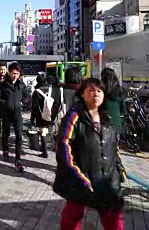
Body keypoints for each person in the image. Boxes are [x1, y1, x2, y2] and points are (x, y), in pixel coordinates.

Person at [53, 78, 126, 230]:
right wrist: (78, 176)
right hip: (81, 180)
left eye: (99, 91)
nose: (96, 94)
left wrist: (119, 170)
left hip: (107, 180)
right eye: (91, 90)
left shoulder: (107, 118)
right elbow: (64, 146)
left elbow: (113, 147)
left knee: (114, 220)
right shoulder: (74, 117)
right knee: (71, 219)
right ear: (82, 94)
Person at [0, 63, 30, 172]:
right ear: (10, 73)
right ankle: (5, 149)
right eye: (13, 73)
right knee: (5, 133)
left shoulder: (21, 85)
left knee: (19, 135)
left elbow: (27, 97)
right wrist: (5, 103)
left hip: (17, 114)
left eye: (17, 73)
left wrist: (22, 103)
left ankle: (18, 159)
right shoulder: (4, 84)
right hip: (6, 114)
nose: (15, 75)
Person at [30, 74, 51, 158]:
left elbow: (34, 106)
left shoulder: (36, 92)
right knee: (47, 130)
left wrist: (32, 118)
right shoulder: (50, 89)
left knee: (43, 132)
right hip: (50, 113)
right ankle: (46, 148)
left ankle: (45, 151)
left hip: (40, 114)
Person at [101, 68, 125, 135]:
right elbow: (123, 109)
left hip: (105, 125)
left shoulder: (101, 91)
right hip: (117, 124)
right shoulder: (119, 90)